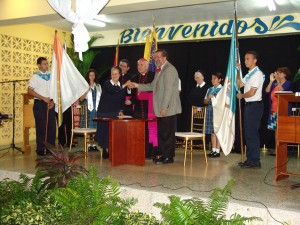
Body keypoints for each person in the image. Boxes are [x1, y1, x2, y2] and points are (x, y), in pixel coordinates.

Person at [128, 49, 182, 164]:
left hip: (168, 108)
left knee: (167, 133)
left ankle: (168, 157)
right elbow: (152, 86)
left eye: (158, 57)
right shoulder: (159, 70)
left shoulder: (169, 70)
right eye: (155, 57)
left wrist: (164, 107)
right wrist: (137, 85)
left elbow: (168, 91)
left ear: (164, 58)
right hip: (162, 108)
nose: (155, 59)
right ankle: (164, 155)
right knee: (163, 133)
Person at [237, 51, 264, 168]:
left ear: (255, 60)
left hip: (255, 106)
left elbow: (253, 92)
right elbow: (239, 84)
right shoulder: (249, 74)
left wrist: (241, 96)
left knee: (252, 133)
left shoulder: (257, 74)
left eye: (248, 59)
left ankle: (255, 161)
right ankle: (250, 159)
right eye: (244, 59)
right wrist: (238, 70)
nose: (245, 61)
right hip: (249, 106)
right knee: (248, 133)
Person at [95, 66, 126, 159]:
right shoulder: (107, 84)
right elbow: (113, 91)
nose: (114, 75)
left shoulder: (121, 86)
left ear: (120, 75)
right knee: (105, 132)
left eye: (116, 74)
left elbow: (122, 100)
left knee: (113, 132)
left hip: (114, 112)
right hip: (104, 112)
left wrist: (121, 110)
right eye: (112, 74)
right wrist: (123, 87)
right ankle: (105, 149)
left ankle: (113, 149)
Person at [28, 57, 56, 156]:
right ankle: (41, 148)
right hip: (40, 104)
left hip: (50, 103)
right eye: (44, 64)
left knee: (51, 126)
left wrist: (53, 101)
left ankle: (50, 148)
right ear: (39, 65)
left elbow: (54, 90)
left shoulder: (51, 76)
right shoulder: (35, 76)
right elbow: (30, 91)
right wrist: (43, 98)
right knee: (41, 126)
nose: (46, 65)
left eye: (47, 63)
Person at [131, 58, 158, 159]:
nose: (139, 67)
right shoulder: (134, 77)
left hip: (149, 108)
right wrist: (132, 99)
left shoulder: (153, 75)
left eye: (142, 65)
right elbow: (133, 94)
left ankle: (152, 153)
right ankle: (138, 152)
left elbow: (154, 89)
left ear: (147, 66)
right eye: (138, 65)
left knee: (151, 131)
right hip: (138, 109)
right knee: (138, 131)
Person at [265, 67, 293, 155]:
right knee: (276, 130)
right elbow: (267, 91)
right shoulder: (275, 84)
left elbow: (282, 92)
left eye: (280, 73)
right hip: (273, 110)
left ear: (285, 74)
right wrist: (271, 81)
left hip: (282, 110)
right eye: (277, 73)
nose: (278, 74)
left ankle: (281, 149)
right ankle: (277, 148)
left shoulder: (288, 83)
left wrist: (278, 81)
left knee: (281, 130)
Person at [80, 69, 102, 151]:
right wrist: (86, 90)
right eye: (90, 75)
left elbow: (101, 98)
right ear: (87, 76)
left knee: (95, 127)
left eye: (93, 75)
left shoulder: (98, 86)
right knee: (88, 127)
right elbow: (81, 98)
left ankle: (94, 144)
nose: (92, 77)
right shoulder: (84, 85)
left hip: (96, 109)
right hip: (88, 109)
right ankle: (88, 145)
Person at [204, 72, 223, 158]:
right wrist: (208, 98)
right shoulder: (209, 89)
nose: (212, 80)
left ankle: (218, 151)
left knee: (217, 131)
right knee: (212, 132)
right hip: (210, 111)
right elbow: (204, 101)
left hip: (218, 112)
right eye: (212, 78)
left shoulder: (222, 89)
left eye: (214, 78)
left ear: (219, 80)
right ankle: (213, 150)